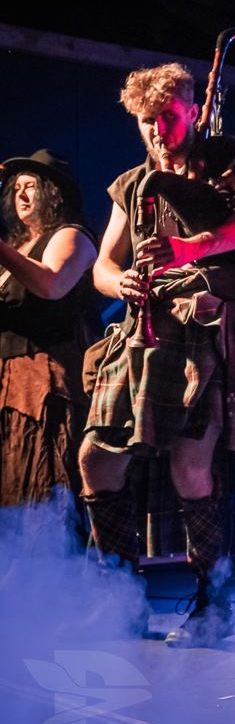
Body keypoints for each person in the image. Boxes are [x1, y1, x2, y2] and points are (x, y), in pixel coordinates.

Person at [78, 62, 235, 648]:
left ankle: (213, 607)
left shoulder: (225, 161)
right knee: (97, 460)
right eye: (146, 121)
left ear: (192, 110)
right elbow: (103, 265)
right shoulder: (132, 183)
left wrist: (194, 247)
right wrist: (120, 282)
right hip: (144, 332)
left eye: (167, 118)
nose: (157, 130)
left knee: (191, 466)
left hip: (208, 326)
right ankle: (120, 600)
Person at [0, 149, 98, 511]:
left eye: (31, 186)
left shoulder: (71, 235)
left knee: (44, 481)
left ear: (53, 192)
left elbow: (51, 284)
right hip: (9, 382)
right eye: (16, 189)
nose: (21, 195)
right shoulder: (15, 248)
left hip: (46, 378)